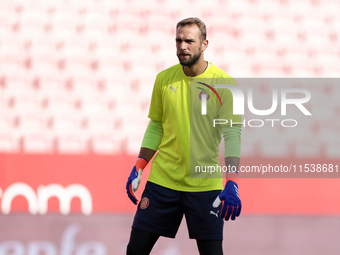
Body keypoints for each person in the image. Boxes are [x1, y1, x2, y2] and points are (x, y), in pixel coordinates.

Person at [126, 17, 242, 255]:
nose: (182, 46)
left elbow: (232, 134)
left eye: (189, 40)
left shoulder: (225, 84)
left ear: (204, 44)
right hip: (163, 181)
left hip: (204, 185)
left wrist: (232, 181)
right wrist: (139, 165)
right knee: (135, 251)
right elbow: (156, 126)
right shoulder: (163, 79)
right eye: (178, 40)